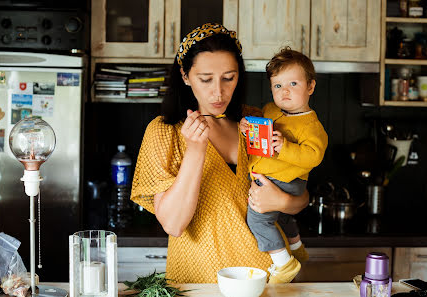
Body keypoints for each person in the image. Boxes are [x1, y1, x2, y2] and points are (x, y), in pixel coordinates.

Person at [130, 23, 309, 284]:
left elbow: (301, 197)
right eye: (205, 79)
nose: (218, 91)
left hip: (268, 280)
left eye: (229, 77)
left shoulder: (256, 121)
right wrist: (196, 149)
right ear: (185, 76)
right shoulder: (164, 132)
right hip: (199, 282)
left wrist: (280, 202)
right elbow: (174, 224)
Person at [240, 47, 328, 283]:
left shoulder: (311, 126)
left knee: (259, 219)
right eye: (278, 86)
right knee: (283, 218)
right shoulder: (270, 110)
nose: (285, 91)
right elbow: (258, 130)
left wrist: (285, 147)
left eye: (293, 84)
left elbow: (313, 157)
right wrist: (247, 128)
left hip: (288, 181)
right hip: (274, 177)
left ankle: (283, 264)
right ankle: (297, 247)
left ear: (310, 87)